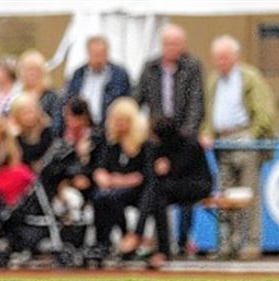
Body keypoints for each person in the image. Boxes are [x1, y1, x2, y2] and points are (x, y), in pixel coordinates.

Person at [200, 35, 276, 257]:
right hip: (221, 142)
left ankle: (251, 243)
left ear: (235, 56)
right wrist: (207, 133)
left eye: (225, 57)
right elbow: (209, 113)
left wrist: (252, 135)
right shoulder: (214, 80)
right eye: (217, 58)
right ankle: (227, 244)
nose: (221, 62)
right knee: (225, 196)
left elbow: (265, 112)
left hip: (245, 139)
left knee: (248, 193)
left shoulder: (249, 77)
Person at [135, 24, 206, 253]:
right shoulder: (150, 67)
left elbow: (197, 103)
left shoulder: (192, 67)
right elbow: (138, 99)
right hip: (158, 138)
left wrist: (187, 135)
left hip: (183, 140)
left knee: (183, 183)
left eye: (175, 43)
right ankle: (161, 242)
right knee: (156, 187)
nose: (170, 48)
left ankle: (183, 239)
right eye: (167, 43)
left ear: (183, 45)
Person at [128, 116, 213, 266]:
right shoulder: (157, 147)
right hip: (170, 187)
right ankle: (161, 251)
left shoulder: (190, 144)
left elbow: (184, 172)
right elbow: (152, 174)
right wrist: (158, 169)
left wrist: (168, 167)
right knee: (158, 198)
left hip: (197, 185)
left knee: (157, 191)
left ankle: (139, 235)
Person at [91, 97, 148, 254]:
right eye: (117, 120)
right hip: (112, 187)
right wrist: (105, 179)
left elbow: (141, 176)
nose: (120, 124)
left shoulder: (142, 144)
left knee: (111, 197)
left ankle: (126, 235)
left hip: (136, 190)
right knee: (99, 196)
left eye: (124, 120)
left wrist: (118, 181)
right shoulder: (110, 143)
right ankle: (102, 241)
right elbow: (99, 169)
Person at [64, 36, 131, 128]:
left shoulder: (119, 75)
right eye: (95, 55)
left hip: (109, 126)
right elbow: (69, 99)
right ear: (88, 54)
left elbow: (127, 102)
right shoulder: (78, 74)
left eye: (102, 54)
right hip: (83, 126)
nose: (98, 59)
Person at [18, 50, 63, 137]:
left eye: (35, 69)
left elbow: (57, 128)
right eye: (28, 70)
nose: (31, 73)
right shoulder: (18, 96)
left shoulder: (53, 96)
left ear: (43, 72)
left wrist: (39, 117)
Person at [9, 93, 54, 173]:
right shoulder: (15, 137)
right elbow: (14, 165)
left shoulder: (48, 132)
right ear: (16, 115)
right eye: (24, 113)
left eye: (31, 111)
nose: (29, 116)